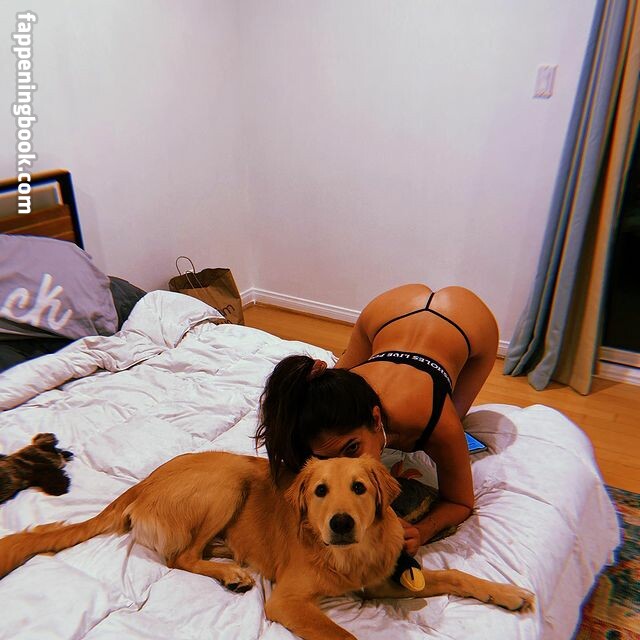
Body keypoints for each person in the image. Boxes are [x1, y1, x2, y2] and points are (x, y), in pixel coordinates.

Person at [256, 283, 498, 555]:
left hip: (470, 320)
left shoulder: (437, 421)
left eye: (352, 448)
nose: (344, 465)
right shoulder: (342, 387)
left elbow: (461, 502)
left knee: (458, 420)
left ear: (376, 419)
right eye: (328, 457)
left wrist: (422, 530)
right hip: (387, 312)